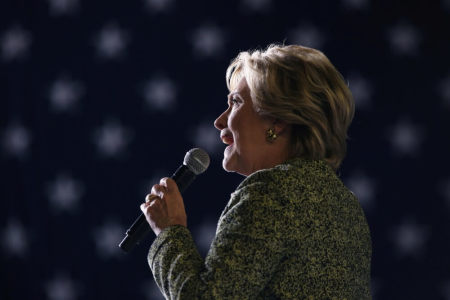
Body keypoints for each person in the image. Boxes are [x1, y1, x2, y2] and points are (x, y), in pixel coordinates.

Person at [140, 44, 372, 299]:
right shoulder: (346, 204)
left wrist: (169, 231)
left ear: (278, 120)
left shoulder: (271, 192)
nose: (219, 121)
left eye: (236, 102)